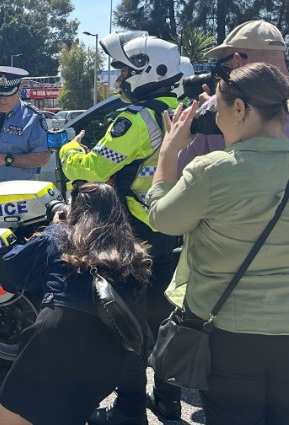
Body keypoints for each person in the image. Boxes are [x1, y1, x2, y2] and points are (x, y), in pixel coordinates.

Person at [148, 62, 289, 425]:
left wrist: (168, 153)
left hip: (229, 335)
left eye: (220, 110)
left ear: (240, 109)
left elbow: (163, 219)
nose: (218, 120)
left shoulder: (213, 170)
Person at [58, 32, 184, 424]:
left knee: (129, 324)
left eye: (126, 72)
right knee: (166, 321)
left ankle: (129, 410)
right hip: (174, 229)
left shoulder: (137, 118)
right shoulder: (183, 111)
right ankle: (168, 400)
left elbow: (94, 168)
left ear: (150, 72)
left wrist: (69, 149)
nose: (119, 81)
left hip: (135, 234)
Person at [0, 183, 152, 425]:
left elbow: (12, 270)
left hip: (56, 334)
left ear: (75, 210)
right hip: (108, 350)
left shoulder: (61, 235)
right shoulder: (135, 252)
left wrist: (52, 227)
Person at [177, 19, 289, 175]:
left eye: (223, 66)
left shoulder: (218, 108)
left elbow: (180, 174)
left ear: (238, 61)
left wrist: (208, 110)